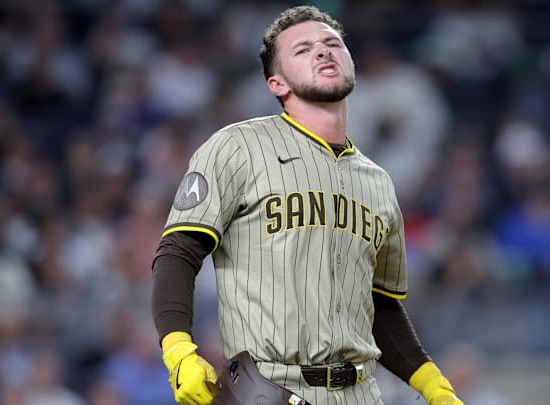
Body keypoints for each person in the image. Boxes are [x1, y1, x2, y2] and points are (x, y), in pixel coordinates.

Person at [150, 5, 463, 405]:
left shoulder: (378, 182)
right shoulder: (238, 147)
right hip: (269, 388)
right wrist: (178, 350)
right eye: (303, 49)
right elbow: (178, 251)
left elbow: (380, 306)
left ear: (351, 65)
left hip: (361, 393)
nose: (323, 51)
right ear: (276, 83)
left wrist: (431, 384)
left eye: (333, 44)